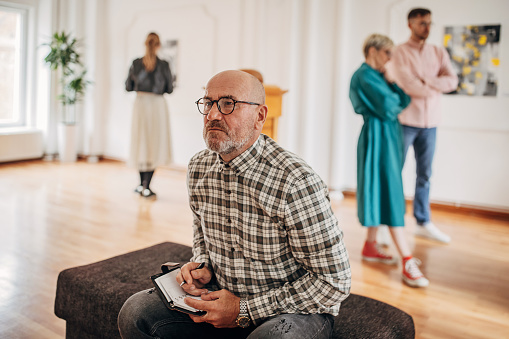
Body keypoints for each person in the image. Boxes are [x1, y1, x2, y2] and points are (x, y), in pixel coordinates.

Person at [118, 70, 351, 338]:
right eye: (208, 103)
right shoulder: (198, 166)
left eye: (228, 104)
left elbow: (335, 281)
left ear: (260, 116)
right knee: (135, 313)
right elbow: (201, 233)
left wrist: (243, 310)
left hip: (292, 308)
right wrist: (202, 265)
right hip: (222, 292)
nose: (213, 115)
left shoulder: (295, 181)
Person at [349, 33, 429, 288]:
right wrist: (394, 93)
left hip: (387, 135)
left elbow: (403, 101)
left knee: (382, 187)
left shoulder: (381, 76)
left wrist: (393, 84)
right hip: (376, 137)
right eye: (387, 53)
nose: (390, 59)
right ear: (373, 50)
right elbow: (387, 107)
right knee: (389, 191)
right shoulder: (362, 75)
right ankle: (407, 259)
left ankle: (371, 246)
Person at [387, 8, 458, 243]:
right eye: (421, 23)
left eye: (429, 23)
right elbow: (410, 86)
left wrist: (426, 81)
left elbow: (452, 81)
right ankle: (391, 223)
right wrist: (432, 85)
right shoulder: (399, 52)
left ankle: (423, 221)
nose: (426, 28)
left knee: (425, 175)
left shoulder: (438, 51)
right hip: (406, 122)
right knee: (394, 172)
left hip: (431, 124)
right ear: (410, 25)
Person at [125, 32, 174, 199]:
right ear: (158, 45)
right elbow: (169, 89)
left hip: (140, 104)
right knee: (154, 143)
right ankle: (147, 186)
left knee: (141, 143)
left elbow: (128, 86)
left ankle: (141, 185)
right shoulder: (164, 64)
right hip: (157, 106)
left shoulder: (136, 63)